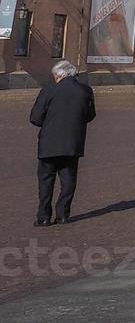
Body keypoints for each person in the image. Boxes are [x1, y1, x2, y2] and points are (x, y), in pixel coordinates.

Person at [30, 60, 96, 227]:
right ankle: (63, 215)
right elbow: (90, 115)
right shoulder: (85, 90)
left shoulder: (49, 89)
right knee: (68, 180)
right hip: (73, 143)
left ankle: (44, 217)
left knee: (45, 180)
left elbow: (35, 118)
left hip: (49, 143)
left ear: (59, 75)